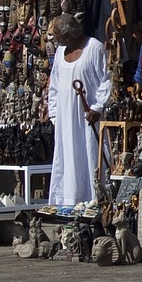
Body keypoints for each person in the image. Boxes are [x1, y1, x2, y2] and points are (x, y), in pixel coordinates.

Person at [47, 14, 111, 206]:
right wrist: (55, 115)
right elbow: (54, 85)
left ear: (67, 36)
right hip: (65, 120)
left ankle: (94, 200)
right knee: (67, 158)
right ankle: (67, 201)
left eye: (56, 35)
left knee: (90, 156)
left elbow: (106, 80)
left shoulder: (94, 48)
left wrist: (98, 107)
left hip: (88, 118)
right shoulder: (59, 53)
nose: (54, 39)